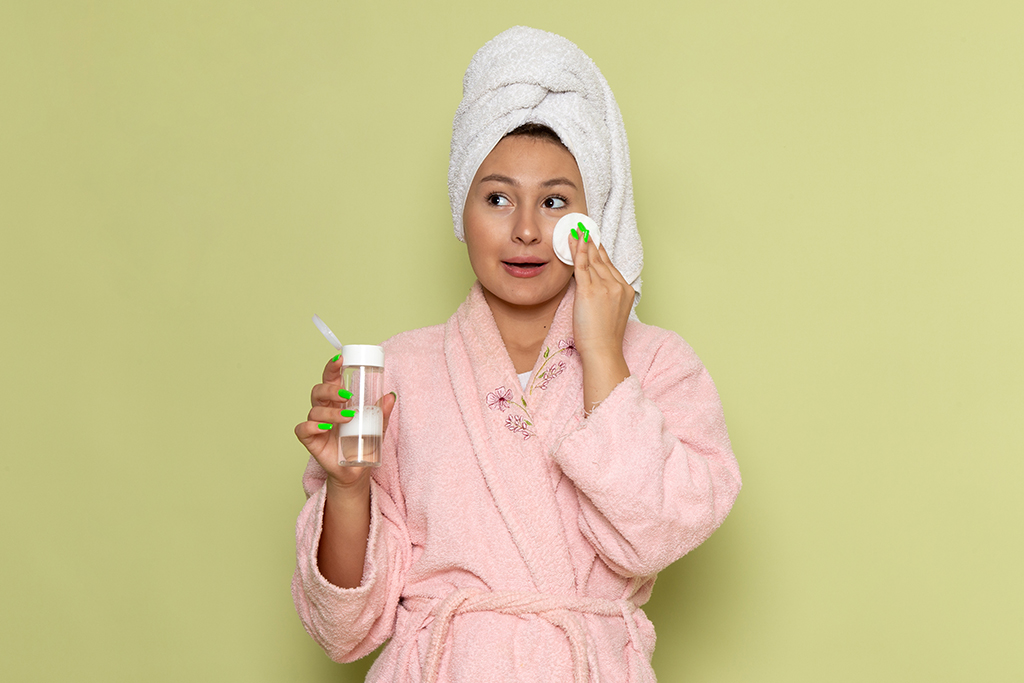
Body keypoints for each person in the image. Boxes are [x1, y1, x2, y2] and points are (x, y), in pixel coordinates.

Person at [292, 27, 741, 683]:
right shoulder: (392, 373)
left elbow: (654, 533)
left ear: (595, 218)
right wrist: (349, 486)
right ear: (461, 207)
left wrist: (601, 355)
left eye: (555, 201)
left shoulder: (659, 365)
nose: (527, 229)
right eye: (497, 197)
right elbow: (343, 631)